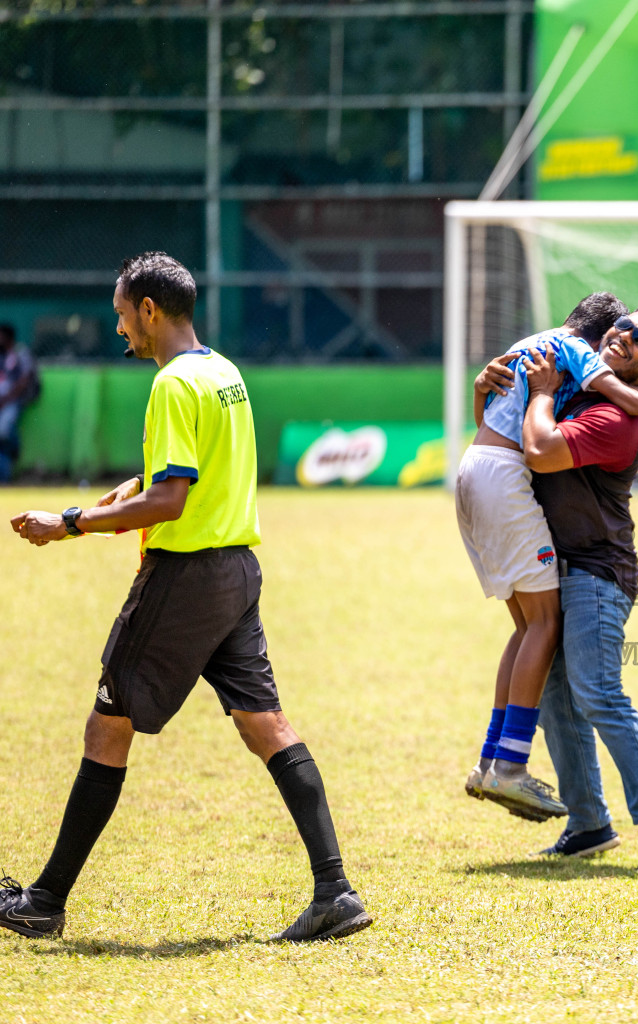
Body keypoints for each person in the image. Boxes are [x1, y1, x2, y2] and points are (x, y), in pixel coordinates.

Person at [2, 252, 369, 943]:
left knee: (107, 726)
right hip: (236, 570)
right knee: (266, 726)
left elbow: (171, 500)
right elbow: (184, 469)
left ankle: (45, 901)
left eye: (121, 317)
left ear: (148, 309)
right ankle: (336, 893)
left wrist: (70, 524)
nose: (120, 332)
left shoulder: (173, 384)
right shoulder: (221, 371)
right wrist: (124, 490)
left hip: (187, 576)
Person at [473, 295, 638, 870]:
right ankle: (589, 822)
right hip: (556, 566)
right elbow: (507, 438)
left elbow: (540, 453)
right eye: (623, 328)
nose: (626, 338)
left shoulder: (614, 416)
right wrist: (490, 385)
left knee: (596, 693)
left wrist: (541, 394)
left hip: (596, 572)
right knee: (553, 699)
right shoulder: (579, 393)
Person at [0, 322, 39, 482]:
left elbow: (24, 380)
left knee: (4, 433)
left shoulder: (20, 354)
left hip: (13, 402)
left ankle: (7, 469)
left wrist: (6, 398)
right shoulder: (2, 356)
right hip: (2, 402)